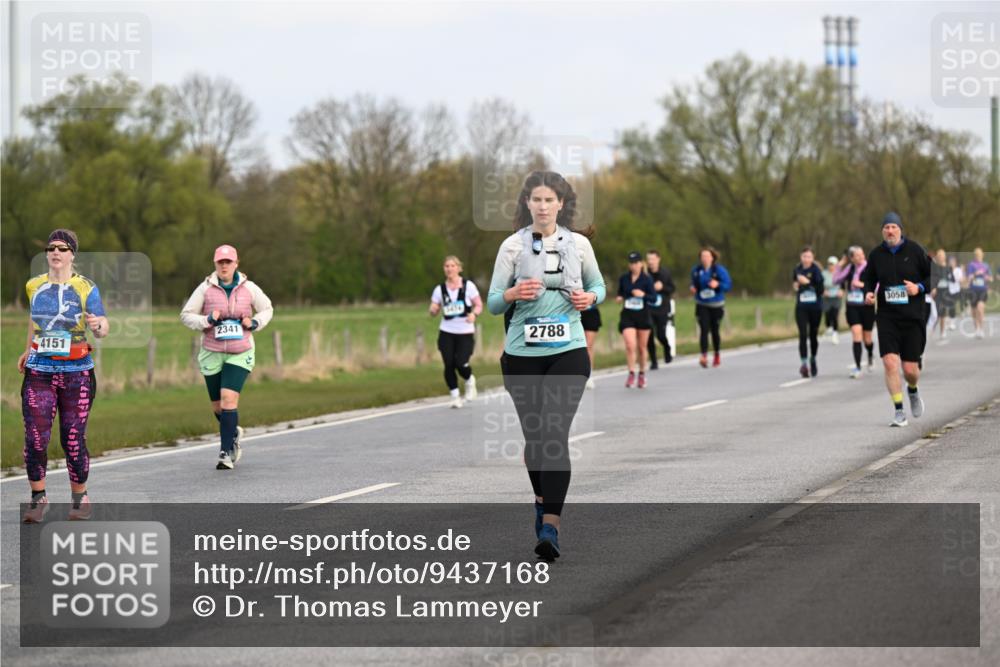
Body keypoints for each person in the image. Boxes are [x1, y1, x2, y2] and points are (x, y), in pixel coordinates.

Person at [487, 171, 605, 561]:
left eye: (549, 200)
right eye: (536, 200)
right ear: (527, 204)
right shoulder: (511, 247)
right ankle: (541, 500)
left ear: (561, 204)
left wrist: (590, 298)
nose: (542, 206)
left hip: (568, 351)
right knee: (536, 440)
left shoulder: (579, 245)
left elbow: (599, 286)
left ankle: (550, 526)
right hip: (522, 355)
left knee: (554, 435)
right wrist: (512, 292)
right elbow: (493, 303)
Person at [19, 229, 109, 523]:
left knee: (72, 439)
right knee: (35, 439)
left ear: (72, 254)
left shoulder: (86, 287)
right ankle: (38, 500)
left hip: (77, 373)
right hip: (39, 372)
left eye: (62, 248)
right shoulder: (33, 285)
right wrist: (27, 350)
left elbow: (102, 325)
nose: (55, 252)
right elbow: (34, 321)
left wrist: (98, 327)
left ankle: (80, 499)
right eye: (51, 248)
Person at [181, 245, 274, 470]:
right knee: (217, 407)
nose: (224, 266)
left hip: (240, 352)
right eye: (220, 262)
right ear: (215, 264)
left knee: (228, 399)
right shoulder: (205, 288)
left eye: (228, 262)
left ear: (236, 264)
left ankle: (225, 453)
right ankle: (232, 433)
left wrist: (254, 323)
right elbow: (186, 315)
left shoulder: (249, 288)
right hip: (212, 352)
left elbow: (267, 309)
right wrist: (206, 320)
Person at [863, 212, 932, 427]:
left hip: (912, 317)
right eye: (886, 228)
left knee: (910, 370)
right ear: (882, 231)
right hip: (887, 317)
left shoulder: (915, 250)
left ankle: (912, 390)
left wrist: (918, 288)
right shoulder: (876, 255)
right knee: (890, 362)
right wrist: (868, 292)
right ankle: (899, 411)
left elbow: (934, 276)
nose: (890, 231)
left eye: (893, 227)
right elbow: (869, 278)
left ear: (900, 230)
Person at [429, 256, 483, 408]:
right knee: (449, 364)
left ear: (459, 268)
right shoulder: (439, 289)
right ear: (444, 269)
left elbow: (479, 305)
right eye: (446, 266)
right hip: (446, 331)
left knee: (461, 363)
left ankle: (469, 379)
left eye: (452, 266)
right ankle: (455, 396)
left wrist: (474, 314)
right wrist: (433, 309)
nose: (449, 269)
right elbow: (433, 309)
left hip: (465, 332)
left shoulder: (468, 286)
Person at [617, 252, 657, 388]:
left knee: (642, 347)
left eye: (635, 263)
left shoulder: (647, 279)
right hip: (627, 316)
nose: (633, 265)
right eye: (631, 263)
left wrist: (643, 295)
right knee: (630, 345)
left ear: (641, 263)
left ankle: (642, 374)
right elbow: (620, 293)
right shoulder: (624, 278)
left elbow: (654, 298)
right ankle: (631, 373)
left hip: (643, 316)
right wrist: (619, 297)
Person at [689, 247, 732, 368]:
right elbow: (693, 283)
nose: (705, 259)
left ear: (712, 258)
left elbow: (728, 285)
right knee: (703, 329)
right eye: (702, 256)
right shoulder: (696, 270)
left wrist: (718, 284)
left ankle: (717, 353)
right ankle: (703, 355)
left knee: (714, 331)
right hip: (702, 304)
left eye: (707, 256)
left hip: (716, 304)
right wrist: (692, 288)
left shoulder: (719, 270)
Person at [792, 247, 825, 377]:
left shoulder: (816, 271)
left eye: (809, 257)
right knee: (802, 334)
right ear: (801, 257)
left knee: (813, 336)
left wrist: (808, 282)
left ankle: (813, 359)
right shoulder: (797, 269)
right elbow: (795, 283)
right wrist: (796, 286)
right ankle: (804, 364)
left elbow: (821, 290)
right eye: (804, 256)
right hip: (801, 307)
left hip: (815, 307)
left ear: (813, 258)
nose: (806, 259)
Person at [645, 249, 676, 370]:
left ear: (658, 259)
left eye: (652, 259)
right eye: (648, 259)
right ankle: (654, 361)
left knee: (660, 335)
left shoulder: (665, 273)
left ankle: (667, 348)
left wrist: (662, 287)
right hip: (648, 308)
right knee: (649, 334)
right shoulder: (645, 274)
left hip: (662, 308)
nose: (650, 262)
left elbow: (672, 288)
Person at [966, 247, 993, 339]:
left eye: (979, 255)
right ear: (974, 256)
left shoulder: (986, 265)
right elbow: (968, 278)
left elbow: (991, 278)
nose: (978, 256)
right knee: (974, 311)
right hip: (973, 290)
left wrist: (986, 277)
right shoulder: (971, 265)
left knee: (980, 308)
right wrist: (975, 274)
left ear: (982, 255)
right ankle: (976, 329)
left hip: (983, 290)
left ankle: (981, 329)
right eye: (976, 255)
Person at [930, 249, 957, 339]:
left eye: (942, 256)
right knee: (936, 313)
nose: (941, 258)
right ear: (937, 257)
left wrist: (951, 272)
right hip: (937, 291)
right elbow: (932, 279)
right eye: (939, 256)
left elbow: (953, 280)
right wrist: (933, 288)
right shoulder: (934, 267)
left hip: (946, 292)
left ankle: (942, 332)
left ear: (944, 257)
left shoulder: (948, 268)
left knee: (943, 312)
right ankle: (931, 330)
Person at [580, 298, 602, 391]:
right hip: (573, 313)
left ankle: (588, 376)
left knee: (588, 346)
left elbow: (599, 295)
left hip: (591, 312)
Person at [822, 256, 842, 345]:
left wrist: (842, 291)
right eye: (830, 264)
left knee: (835, 315)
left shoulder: (839, 273)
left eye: (833, 264)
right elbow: (820, 284)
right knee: (827, 315)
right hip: (827, 298)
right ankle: (828, 328)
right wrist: (823, 291)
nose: (831, 266)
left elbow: (843, 285)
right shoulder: (824, 273)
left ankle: (835, 333)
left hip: (836, 297)